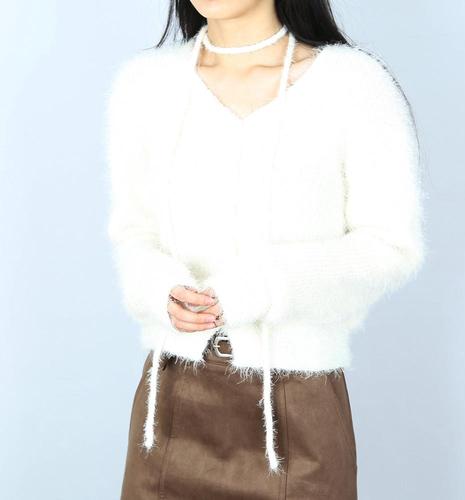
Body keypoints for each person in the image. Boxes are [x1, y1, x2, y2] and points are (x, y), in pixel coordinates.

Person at [105, 1, 427, 498]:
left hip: (296, 407)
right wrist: (159, 290)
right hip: (169, 402)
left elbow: (389, 246)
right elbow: (134, 233)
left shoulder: (353, 85)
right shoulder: (146, 85)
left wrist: (260, 289)